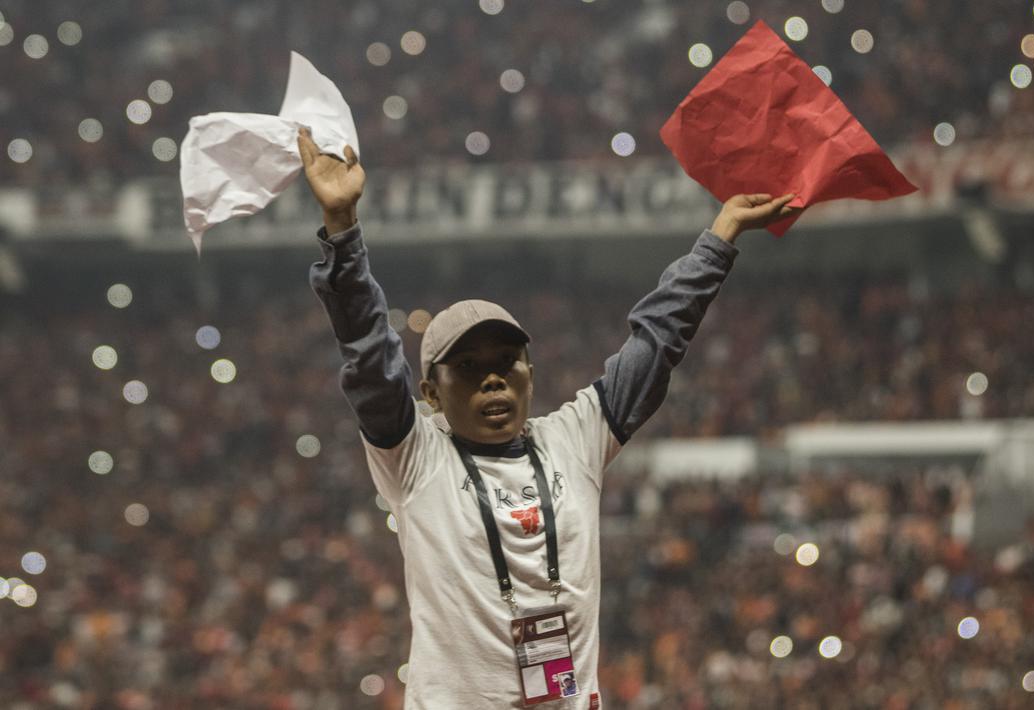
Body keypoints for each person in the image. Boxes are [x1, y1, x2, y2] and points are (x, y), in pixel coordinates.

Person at [298, 127, 797, 709]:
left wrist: (721, 235)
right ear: (430, 392)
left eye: (506, 362)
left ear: (530, 374)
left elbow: (658, 340)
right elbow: (369, 354)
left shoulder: (572, 439)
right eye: (468, 367)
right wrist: (343, 230)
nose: (493, 378)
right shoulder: (414, 457)